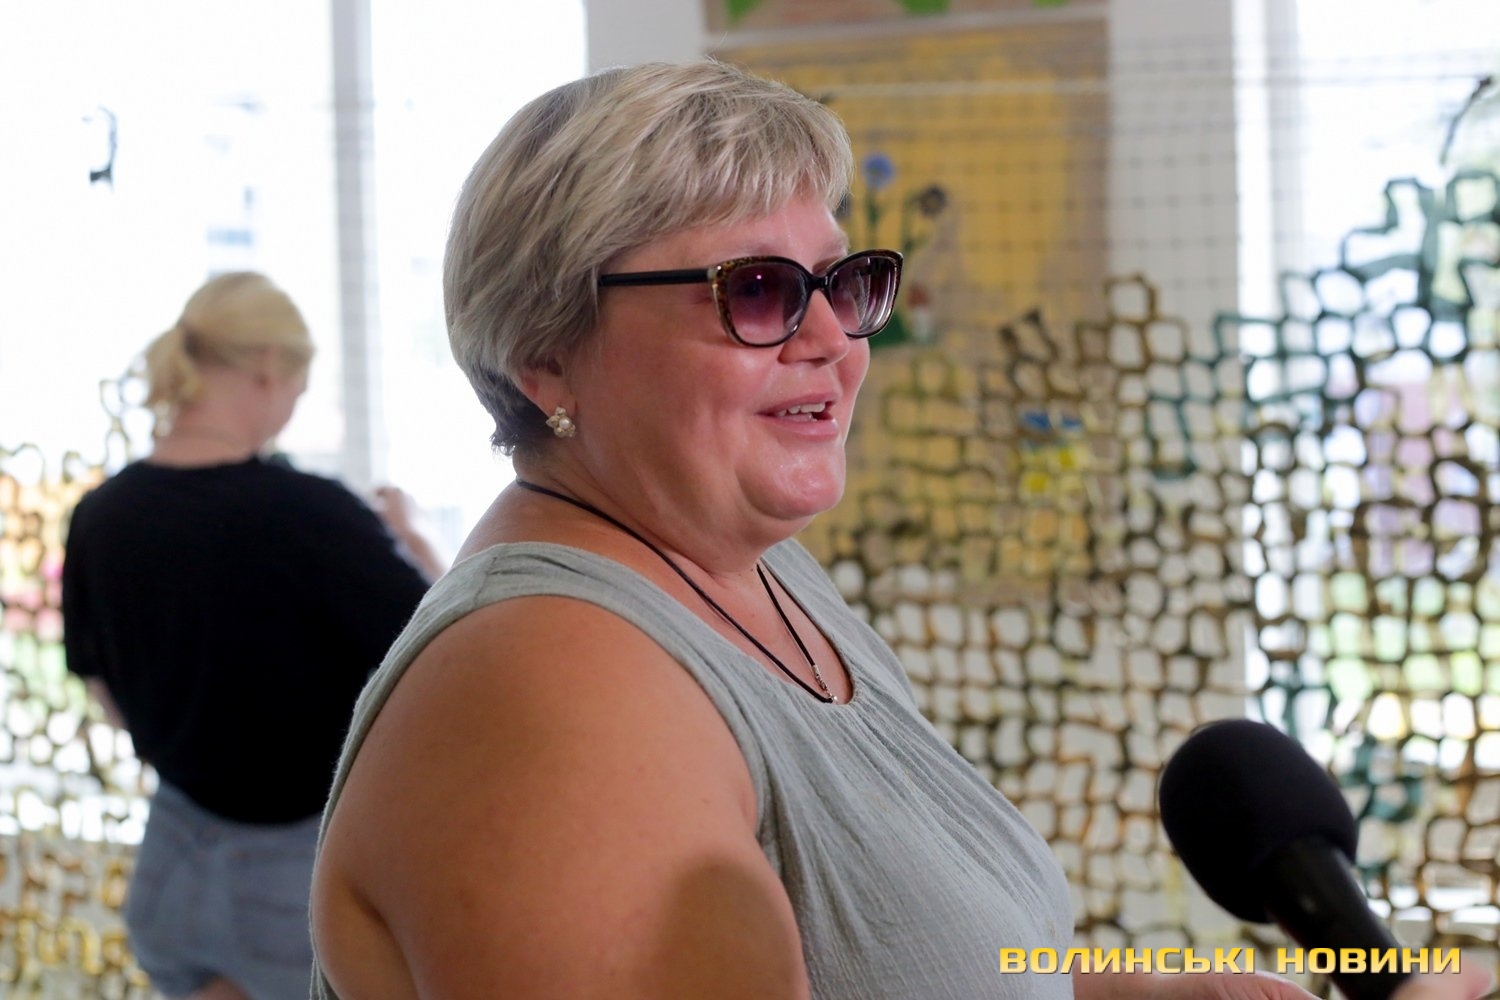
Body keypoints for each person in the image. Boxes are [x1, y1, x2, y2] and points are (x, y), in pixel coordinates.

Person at [307, 60, 1493, 1000]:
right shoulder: (552, 696)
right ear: (546, 354)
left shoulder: (761, 576)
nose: (833, 340)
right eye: (758, 291)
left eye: (844, 282)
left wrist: (1117, 993)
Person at [61, 271, 440, 1000]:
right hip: (289, 884)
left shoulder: (100, 514)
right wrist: (418, 541)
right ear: (270, 368)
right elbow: (450, 654)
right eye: (300, 387)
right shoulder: (310, 515)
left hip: (169, 866)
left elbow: (102, 688)